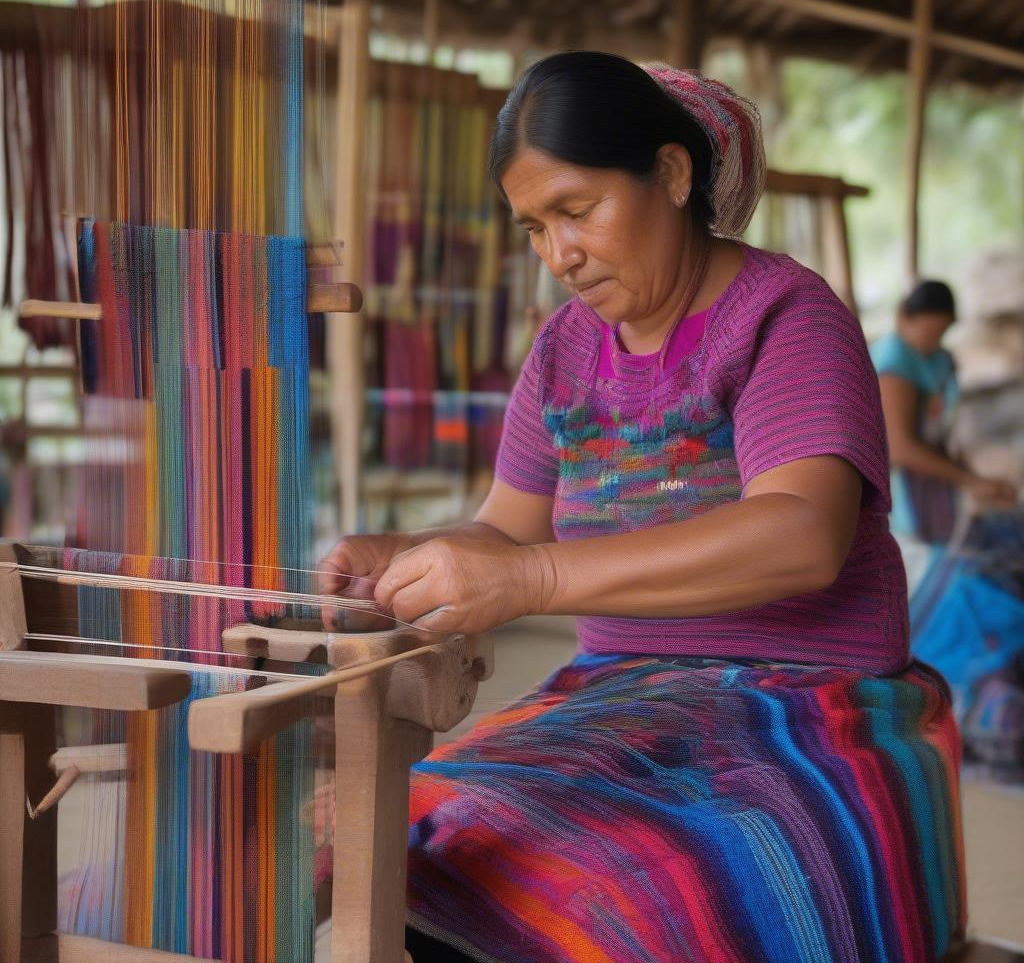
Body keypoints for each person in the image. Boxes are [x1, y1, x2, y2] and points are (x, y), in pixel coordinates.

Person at [321, 52, 964, 963]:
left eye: (576, 211)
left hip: (809, 699)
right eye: (534, 228)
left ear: (670, 173)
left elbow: (802, 535)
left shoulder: (787, 317)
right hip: (623, 699)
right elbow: (505, 528)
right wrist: (399, 552)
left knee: (623, 886)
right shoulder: (564, 352)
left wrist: (535, 576)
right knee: (420, 827)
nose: (558, 255)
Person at [871, 278, 1016, 546]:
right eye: (929, 333)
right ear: (904, 317)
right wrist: (970, 481)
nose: (933, 342)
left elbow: (945, 428)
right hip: (907, 493)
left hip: (935, 482)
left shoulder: (940, 359)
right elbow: (900, 448)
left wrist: (974, 480)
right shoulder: (894, 362)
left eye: (941, 334)